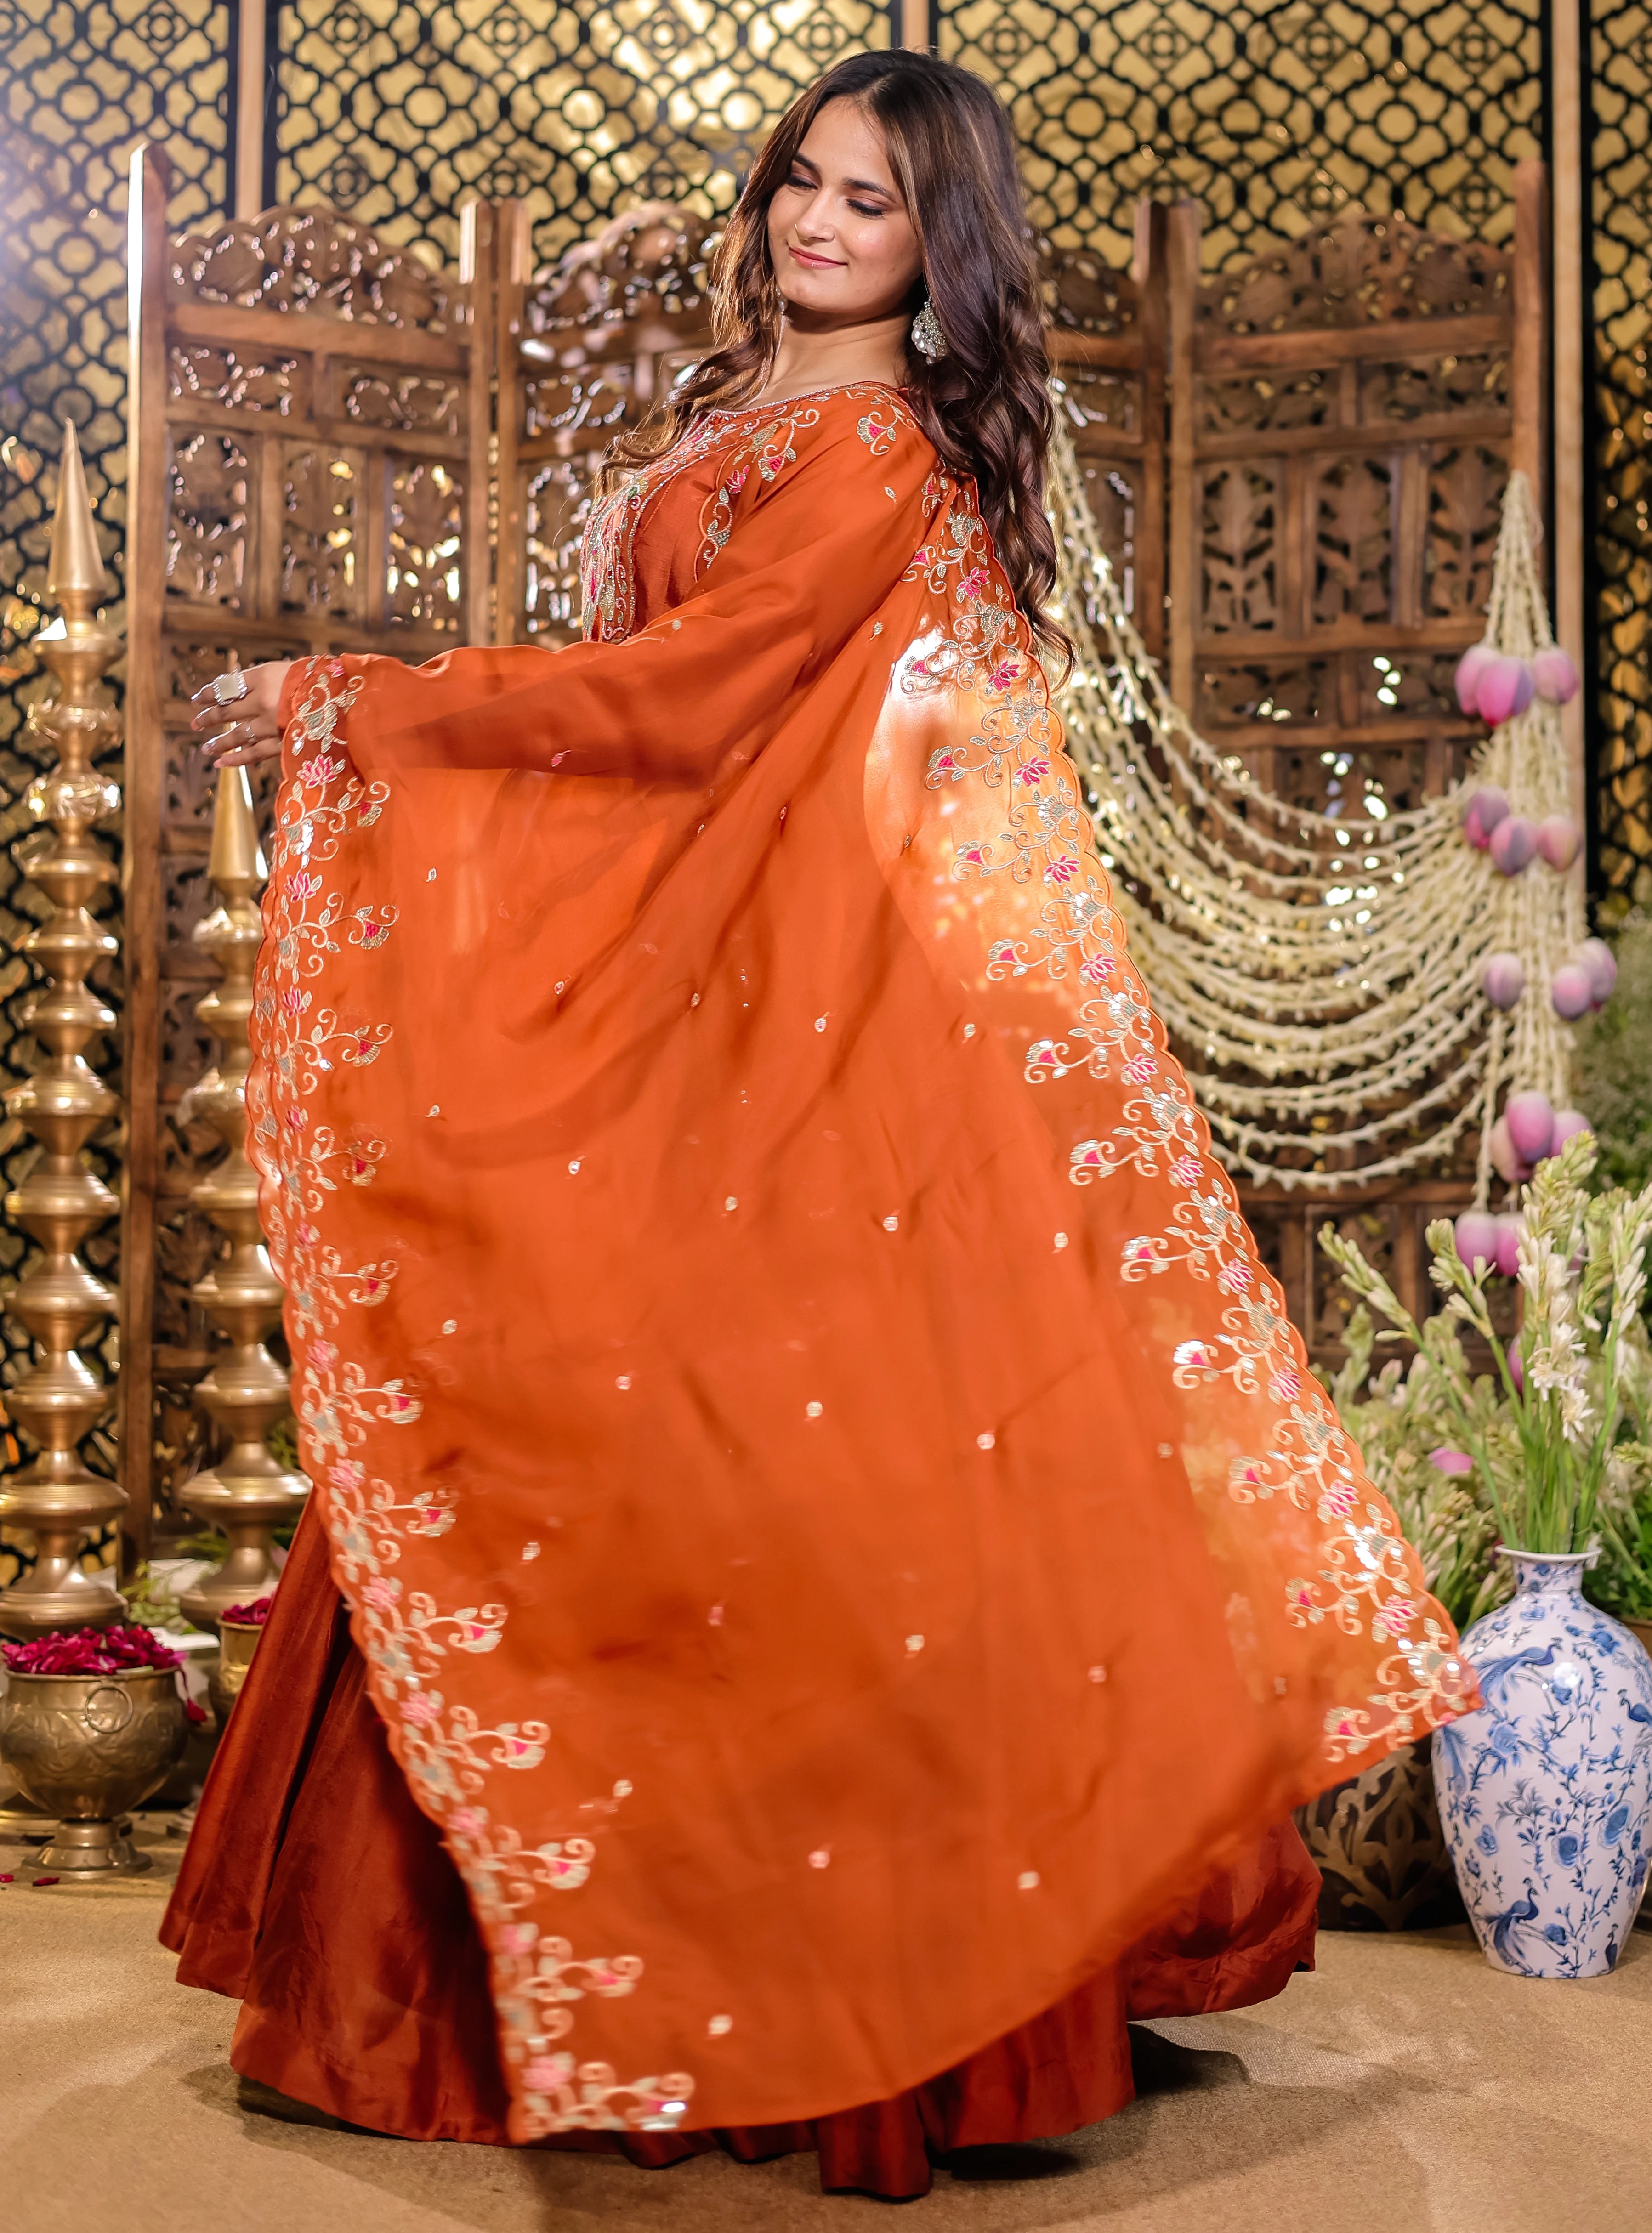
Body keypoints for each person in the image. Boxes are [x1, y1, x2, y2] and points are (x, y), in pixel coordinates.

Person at [164, 49, 1474, 2200]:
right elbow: (662, 728)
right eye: (801, 182)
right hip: (700, 979)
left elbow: (680, 705)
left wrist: (363, 701)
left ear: (937, 246)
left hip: (813, 1027)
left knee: (764, 1463)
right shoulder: (752, 422)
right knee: (635, 1430)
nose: (814, 223)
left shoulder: (871, 451)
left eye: (870, 201)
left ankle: (842, 2013)